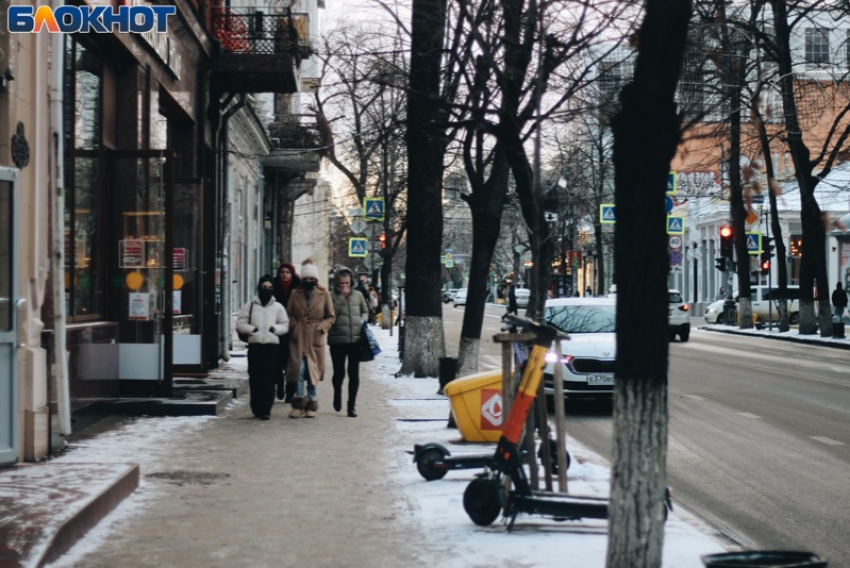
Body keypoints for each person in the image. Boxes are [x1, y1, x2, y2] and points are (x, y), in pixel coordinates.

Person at [286, 258, 335, 419]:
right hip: (298, 336)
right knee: (299, 370)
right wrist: (293, 327)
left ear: (316, 279)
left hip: (315, 337)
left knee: (312, 372)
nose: (308, 281)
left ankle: (312, 402)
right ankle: (299, 403)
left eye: (311, 279)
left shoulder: (324, 293)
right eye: (305, 279)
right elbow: (289, 314)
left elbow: (331, 316)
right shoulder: (295, 293)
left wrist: (321, 327)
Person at [235, 276, 289, 420]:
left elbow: (285, 324)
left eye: (269, 287)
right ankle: (256, 407)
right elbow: (240, 323)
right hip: (255, 346)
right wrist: (251, 329)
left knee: (268, 378)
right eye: (264, 287)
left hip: (272, 347)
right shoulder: (250, 305)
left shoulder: (278, 307)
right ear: (259, 288)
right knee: (255, 377)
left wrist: (275, 329)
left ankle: (266, 409)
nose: (266, 290)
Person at [328, 267, 370, 417]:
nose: (345, 286)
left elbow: (366, 310)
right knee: (339, 373)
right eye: (341, 284)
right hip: (337, 340)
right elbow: (330, 314)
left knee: (354, 373)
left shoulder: (358, 295)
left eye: (347, 283)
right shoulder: (331, 296)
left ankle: (351, 406)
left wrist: (362, 320)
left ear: (351, 281)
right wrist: (341, 299)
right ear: (337, 284)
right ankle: (337, 393)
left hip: (355, 340)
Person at [272, 262, 301, 402]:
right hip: (276, 329)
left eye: (287, 272)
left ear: (292, 274)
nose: (285, 274)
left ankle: (291, 391)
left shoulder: (297, 287)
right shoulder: (273, 287)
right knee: (277, 361)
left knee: (292, 362)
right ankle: (279, 385)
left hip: (293, 329)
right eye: (282, 272)